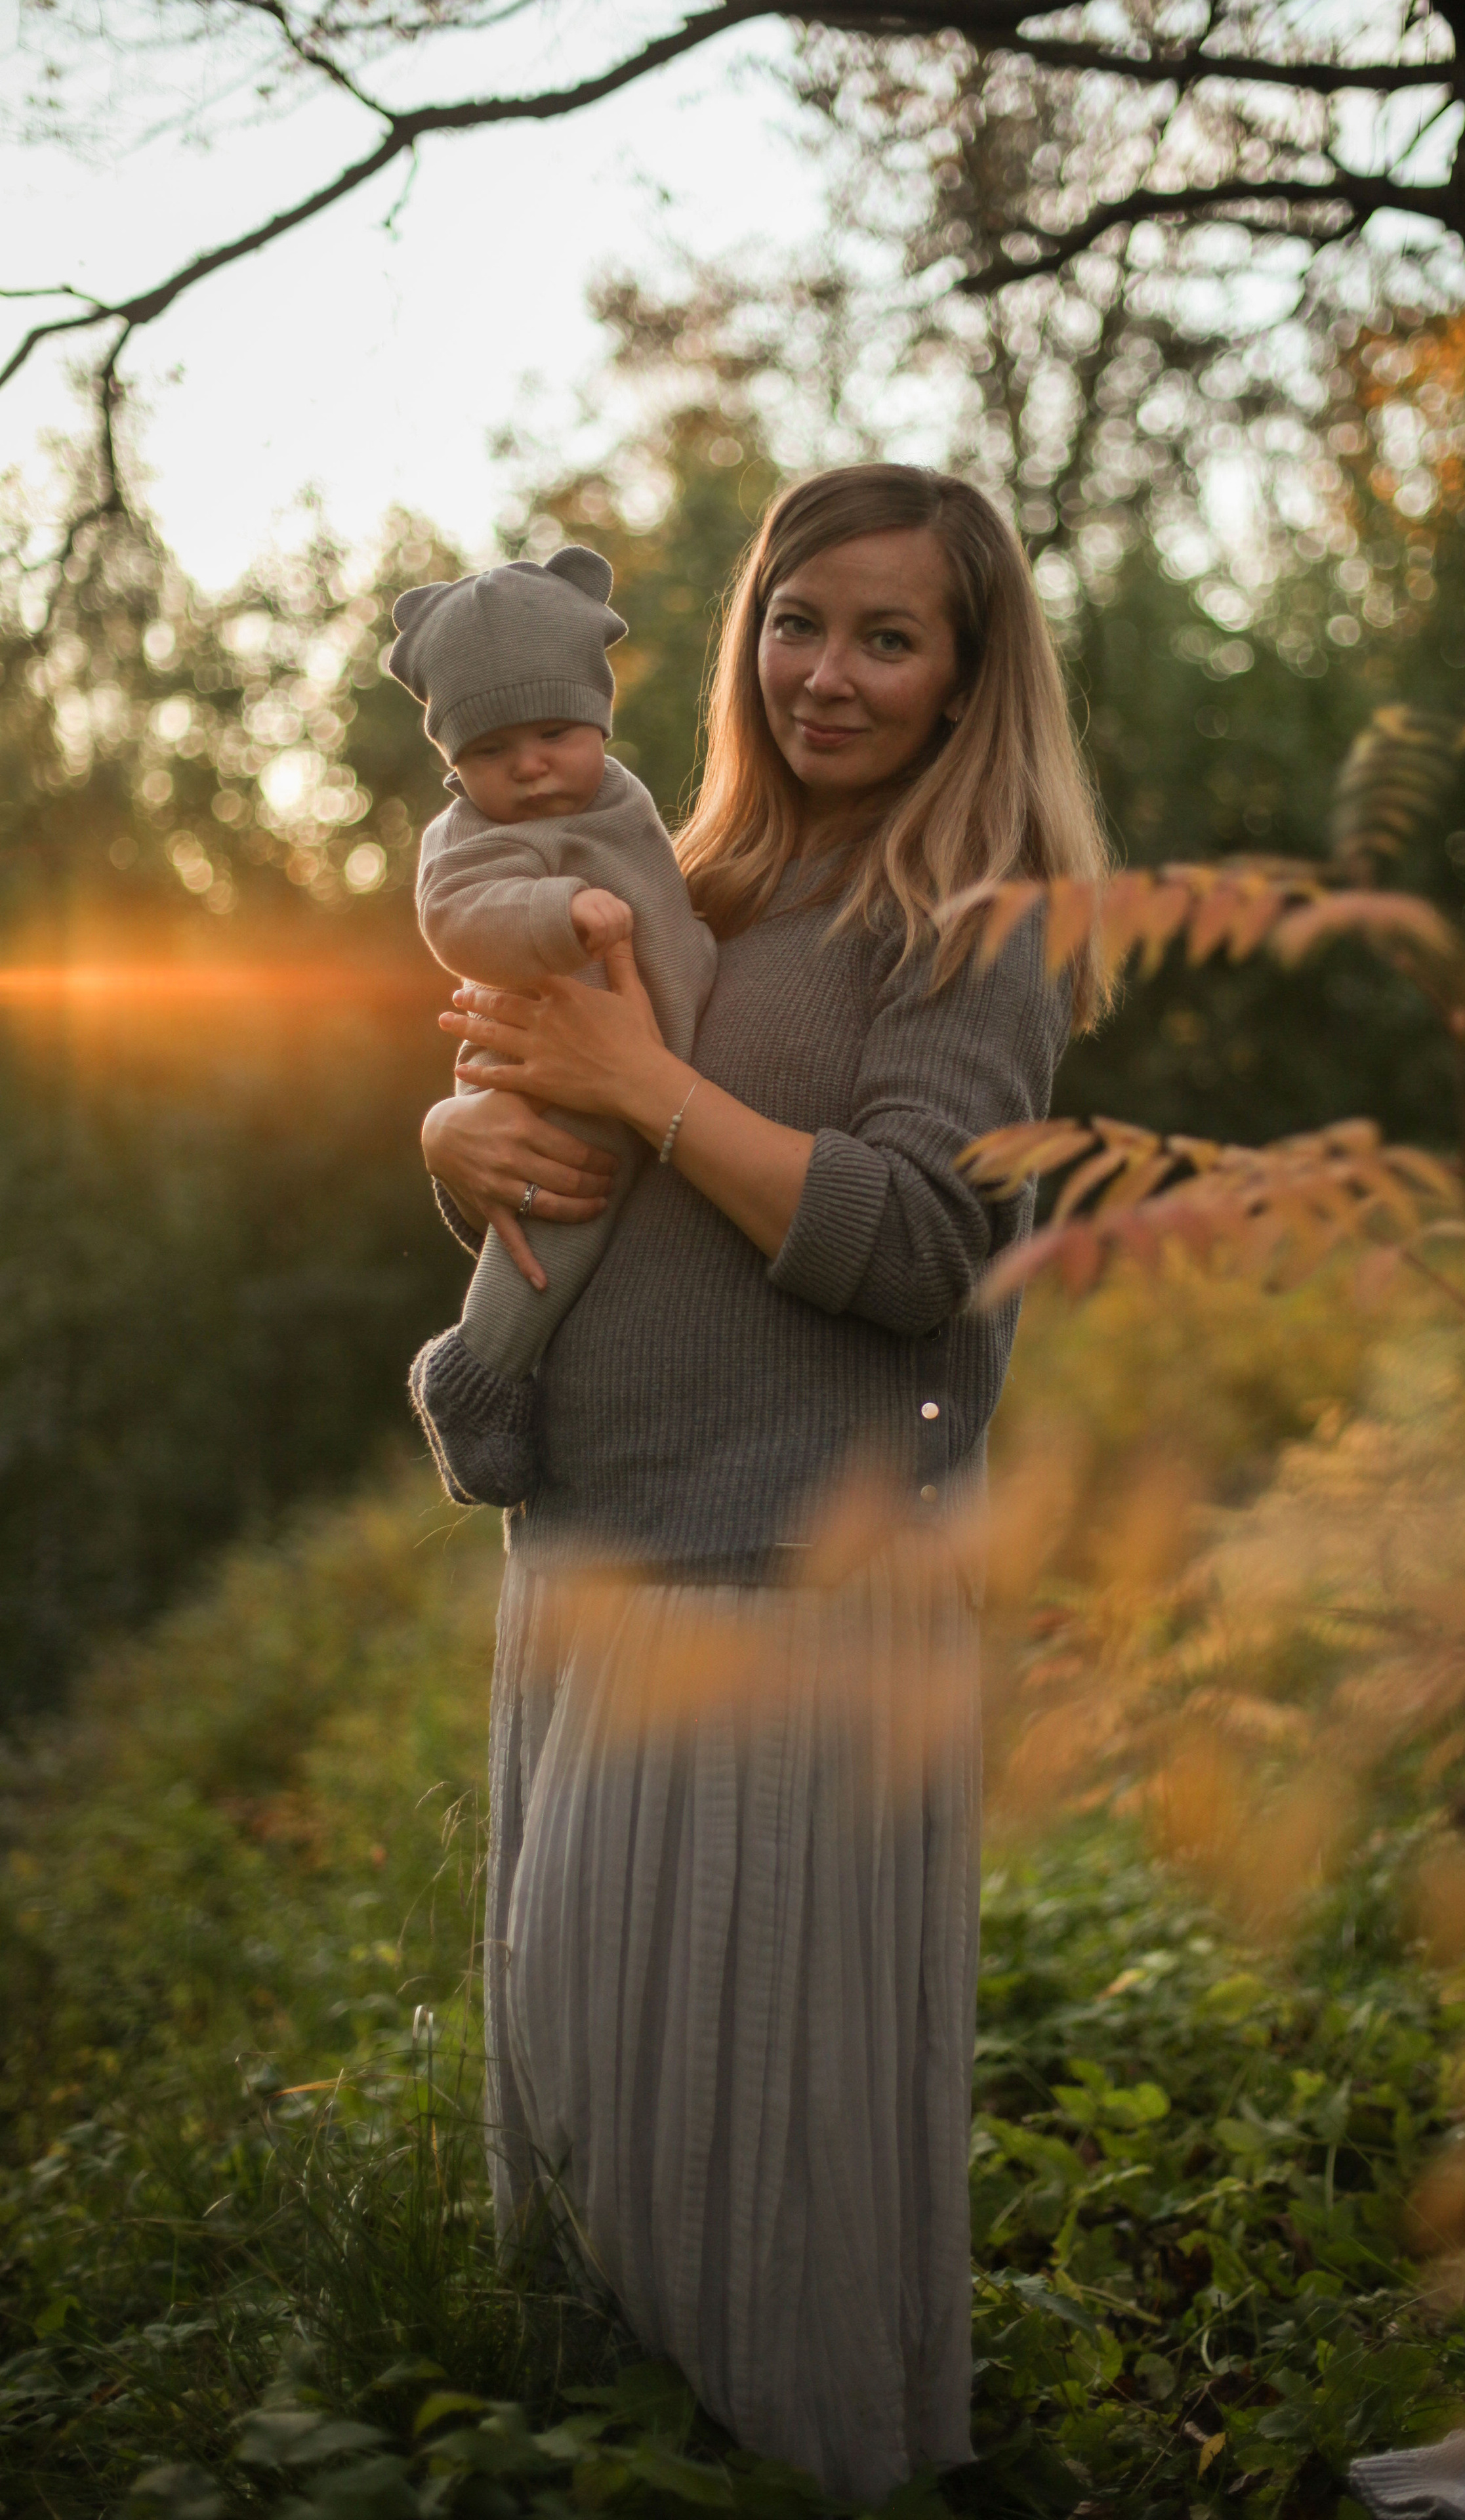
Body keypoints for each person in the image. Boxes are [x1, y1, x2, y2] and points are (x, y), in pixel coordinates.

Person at [417, 464, 1111, 2502]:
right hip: (600, 1549)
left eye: (889, 638)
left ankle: (801, 2472)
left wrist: (649, 1084)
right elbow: (563, 1171)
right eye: (799, 622)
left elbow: (916, 1246)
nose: (827, 671)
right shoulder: (676, 874)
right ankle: (612, 2463)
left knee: (727, 2113)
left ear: (969, 679)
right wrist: (454, 1145)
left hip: (791, 1582)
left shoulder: (972, 919)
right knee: (588, 2080)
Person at [388, 545, 716, 1506]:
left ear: (598, 718)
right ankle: (481, 1371)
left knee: (586, 1196)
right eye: (489, 752)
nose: (529, 767)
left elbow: (659, 896)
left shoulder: (623, 796)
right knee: (568, 1207)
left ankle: (505, 1363)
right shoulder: (467, 838)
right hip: (542, 1069)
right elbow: (458, 919)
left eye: (555, 733)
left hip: (629, 1052)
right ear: (454, 762)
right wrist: (556, 908)